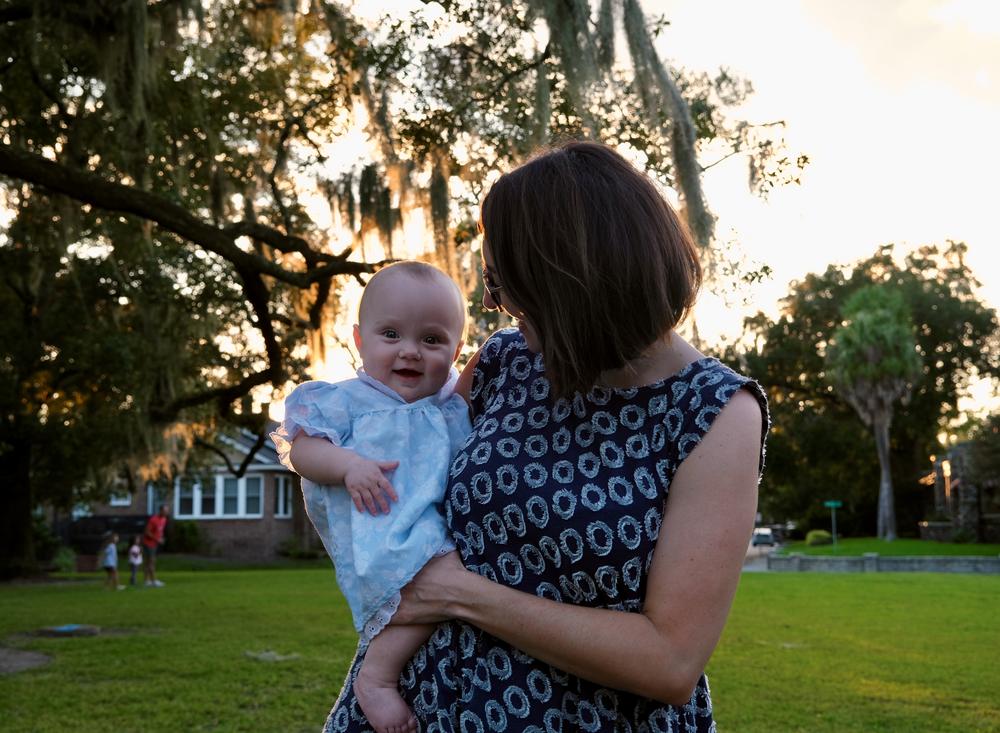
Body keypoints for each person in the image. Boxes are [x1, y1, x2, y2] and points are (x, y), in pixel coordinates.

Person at [323, 141, 769, 732]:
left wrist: (460, 593)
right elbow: (400, 467)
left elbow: (670, 661)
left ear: (573, 280)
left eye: (504, 283)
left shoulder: (714, 412)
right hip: (411, 708)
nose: (492, 303)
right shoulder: (506, 361)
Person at [271, 261, 472, 733]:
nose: (410, 351)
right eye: (391, 334)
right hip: (376, 525)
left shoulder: (449, 408)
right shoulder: (343, 401)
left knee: (444, 581)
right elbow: (301, 450)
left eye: (431, 340)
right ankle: (376, 678)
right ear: (360, 341)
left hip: (426, 524)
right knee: (432, 581)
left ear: (457, 350)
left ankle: (380, 674)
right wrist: (349, 466)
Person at [142, 504, 169, 587]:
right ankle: (153, 581)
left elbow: (159, 531)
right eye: (165, 511)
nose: (166, 513)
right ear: (160, 511)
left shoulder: (164, 520)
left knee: (148, 563)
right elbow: (147, 532)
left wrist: (161, 538)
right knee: (151, 562)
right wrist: (157, 539)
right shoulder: (153, 520)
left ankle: (146, 581)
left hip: (155, 543)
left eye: (167, 511)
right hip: (149, 544)